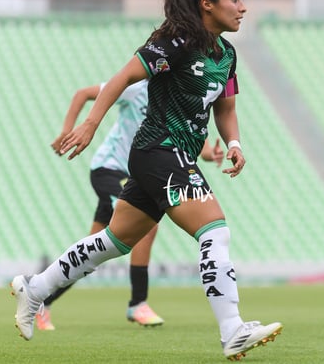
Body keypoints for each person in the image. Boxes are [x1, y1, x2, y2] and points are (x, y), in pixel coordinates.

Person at [11, 0, 283, 360]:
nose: (243, 7)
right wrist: (90, 124)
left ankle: (33, 289)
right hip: (159, 148)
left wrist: (234, 141)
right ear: (207, 4)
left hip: (173, 155)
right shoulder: (176, 42)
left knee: (112, 242)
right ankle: (232, 329)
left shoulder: (227, 54)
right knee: (214, 231)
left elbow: (226, 107)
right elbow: (122, 77)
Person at [36, 79, 224, 330]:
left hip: (137, 177)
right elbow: (82, 93)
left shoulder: (176, 92)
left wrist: (210, 154)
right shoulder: (137, 87)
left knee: (92, 251)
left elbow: (188, 137)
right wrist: (67, 130)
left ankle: (41, 299)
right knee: (147, 225)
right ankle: (138, 303)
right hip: (110, 170)